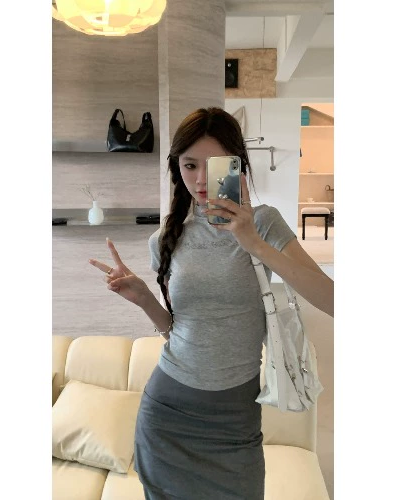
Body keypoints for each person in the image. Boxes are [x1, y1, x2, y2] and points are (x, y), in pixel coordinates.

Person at [89, 107, 334, 500]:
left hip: (235, 423)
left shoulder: (264, 223)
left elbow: (332, 299)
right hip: (167, 418)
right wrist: (145, 299)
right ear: (177, 168)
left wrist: (252, 242)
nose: (201, 180)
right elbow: (176, 330)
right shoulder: (164, 240)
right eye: (190, 165)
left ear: (238, 166)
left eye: (214, 165)